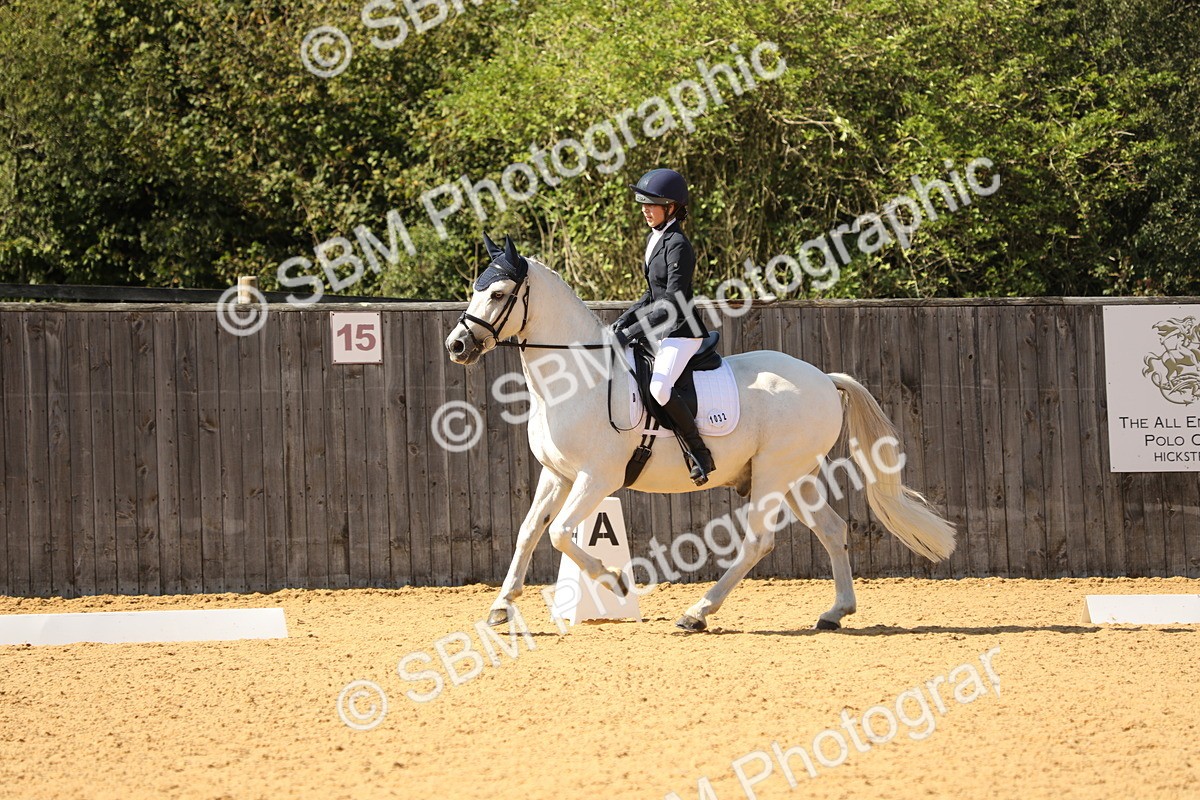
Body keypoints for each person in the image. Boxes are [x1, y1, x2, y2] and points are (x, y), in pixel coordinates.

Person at [611, 168, 716, 486]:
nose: (645, 208)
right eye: (642, 202)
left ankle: (699, 452)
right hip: (659, 329)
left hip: (681, 331)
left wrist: (633, 332)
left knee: (659, 388)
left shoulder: (678, 245)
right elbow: (651, 294)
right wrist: (624, 319)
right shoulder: (655, 239)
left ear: (671, 207)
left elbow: (672, 300)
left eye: (652, 203)